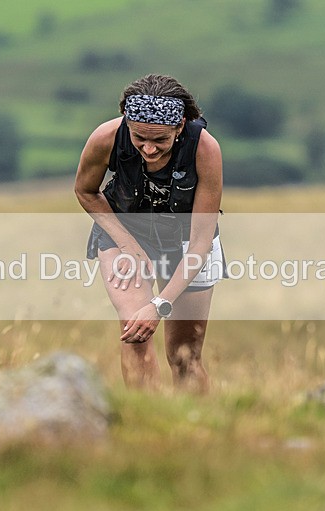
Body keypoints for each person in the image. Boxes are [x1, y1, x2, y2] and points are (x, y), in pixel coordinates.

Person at [74, 73, 225, 393]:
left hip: (188, 240)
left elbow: (200, 244)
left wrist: (159, 306)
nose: (149, 148)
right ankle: (147, 414)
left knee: (184, 356)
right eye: (139, 137)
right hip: (124, 228)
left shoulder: (205, 149)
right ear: (126, 122)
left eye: (160, 140)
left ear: (179, 126)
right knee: (135, 332)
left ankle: (193, 421)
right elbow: (86, 191)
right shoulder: (106, 137)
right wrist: (128, 244)